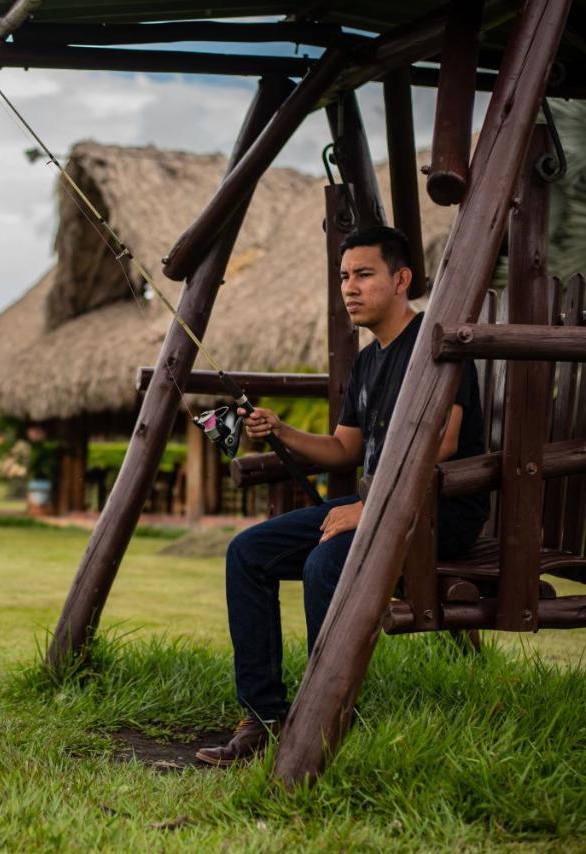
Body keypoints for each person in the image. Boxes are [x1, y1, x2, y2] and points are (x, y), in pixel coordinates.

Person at [196, 226, 489, 767]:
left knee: (324, 562)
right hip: (376, 506)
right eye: (344, 277)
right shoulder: (370, 359)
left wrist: (371, 510)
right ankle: (262, 718)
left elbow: (443, 443)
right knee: (248, 554)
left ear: (401, 279)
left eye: (364, 275)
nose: (349, 288)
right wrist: (281, 430)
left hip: (435, 510)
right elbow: (343, 448)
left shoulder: (435, 346)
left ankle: (324, 718)